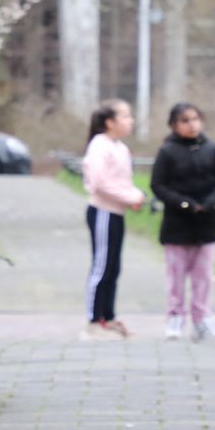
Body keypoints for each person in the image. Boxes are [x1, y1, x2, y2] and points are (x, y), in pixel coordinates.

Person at [149, 102, 215, 342]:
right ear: (175, 125)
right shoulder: (167, 152)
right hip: (177, 224)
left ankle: (202, 317)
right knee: (176, 275)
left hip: (207, 222)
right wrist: (182, 203)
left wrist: (212, 202)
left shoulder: (213, 149)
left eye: (195, 119)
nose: (192, 124)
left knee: (204, 275)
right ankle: (175, 316)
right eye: (185, 121)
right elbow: (158, 185)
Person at [81, 98, 143, 339]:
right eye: (125, 116)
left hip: (117, 213)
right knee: (102, 265)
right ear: (109, 122)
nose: (130, 121)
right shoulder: (99, 146)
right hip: (103, 213)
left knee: (114, 266)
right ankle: (93, 320)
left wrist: (134, 196)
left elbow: (122, 182)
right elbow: (100, 183)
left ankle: (108, 316)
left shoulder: (121, 148)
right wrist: (129, 197)